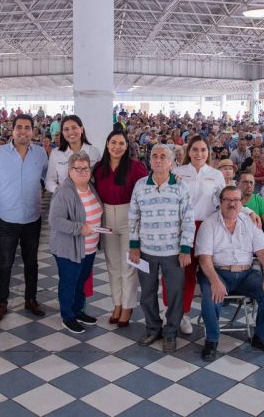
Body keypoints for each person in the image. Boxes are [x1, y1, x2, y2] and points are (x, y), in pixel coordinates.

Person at [196, 186, 264, 361]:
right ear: (220, 202)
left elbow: (263, 252)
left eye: (236, 200)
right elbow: (204, 258)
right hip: (218, 272)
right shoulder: (209, 224)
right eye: (228, 200)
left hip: (246, 274)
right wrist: (215, 281)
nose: (232, 204)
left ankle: (262, 337)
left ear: (242, 203)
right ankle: (211, 340)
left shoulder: (250, 222)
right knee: (211, 295)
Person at [0, 114, 48, 323]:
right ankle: (1, 302)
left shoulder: (40, 154)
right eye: (19, 127)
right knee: (5, 263)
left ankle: (31, 299)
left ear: (33, 131)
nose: (23, 131)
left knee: (31, 262)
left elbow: (48, 180)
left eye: (27, 127)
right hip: (6, 219)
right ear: (12, 130)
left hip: (32, 218)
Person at [129, 144, 194, 353]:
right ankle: (153, 329)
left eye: (163, 156)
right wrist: (134, 246)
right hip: (146, 251)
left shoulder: (181, 186)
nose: (158, 160)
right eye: (154, 156)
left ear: (171, 162)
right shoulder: (140, 185)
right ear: (150, 160)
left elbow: (188, 219)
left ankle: (171, 332)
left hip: (173, 253)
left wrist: (185, 248)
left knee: (175, 294)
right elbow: (133, 217)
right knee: (147, 293)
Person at [171, 135, 226, 335]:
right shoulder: (177, 172)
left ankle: (208, 315)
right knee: (181, 272)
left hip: (206, 229)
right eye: (195, 149)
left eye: (203, 150)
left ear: (208, 152)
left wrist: (248, 212)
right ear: (188, 152)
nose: (199, 153)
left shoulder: (215, 175)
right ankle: (179, 313)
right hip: (181, 228)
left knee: (204, 273)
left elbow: (227, 199)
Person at [92, 131, 149, 327]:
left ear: (126, 146)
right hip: (106, 217)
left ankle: (127, 306)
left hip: (129, 217)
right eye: (113, 142)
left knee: (128, 265)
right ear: (107, 144)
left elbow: (144, 193)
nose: (117, 147)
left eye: (121, 143)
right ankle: (117, 303)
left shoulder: (135, 167)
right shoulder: (99, 168)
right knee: (112, 264)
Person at [48, 152, 101, 333]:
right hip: (69, 248)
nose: (83, 171)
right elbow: (55, 220)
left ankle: (78, 311)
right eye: (78, 168)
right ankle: (68, 317)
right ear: (70, 171)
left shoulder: (91, 187)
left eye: (85, 168)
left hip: (89, 247)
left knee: (81, 281)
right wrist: (79, 228)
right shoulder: (64, 192)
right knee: (69, 282)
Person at [44, 115, 102, 193]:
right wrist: (60, 191)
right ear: (62, 133)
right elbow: (49, 180)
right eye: (66, 129)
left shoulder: (94, 152)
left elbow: (100, 178)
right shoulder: (55, 153)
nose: (71, 132)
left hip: (89, 197)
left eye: (74, 128)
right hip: (64, 197)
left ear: (81, 129)